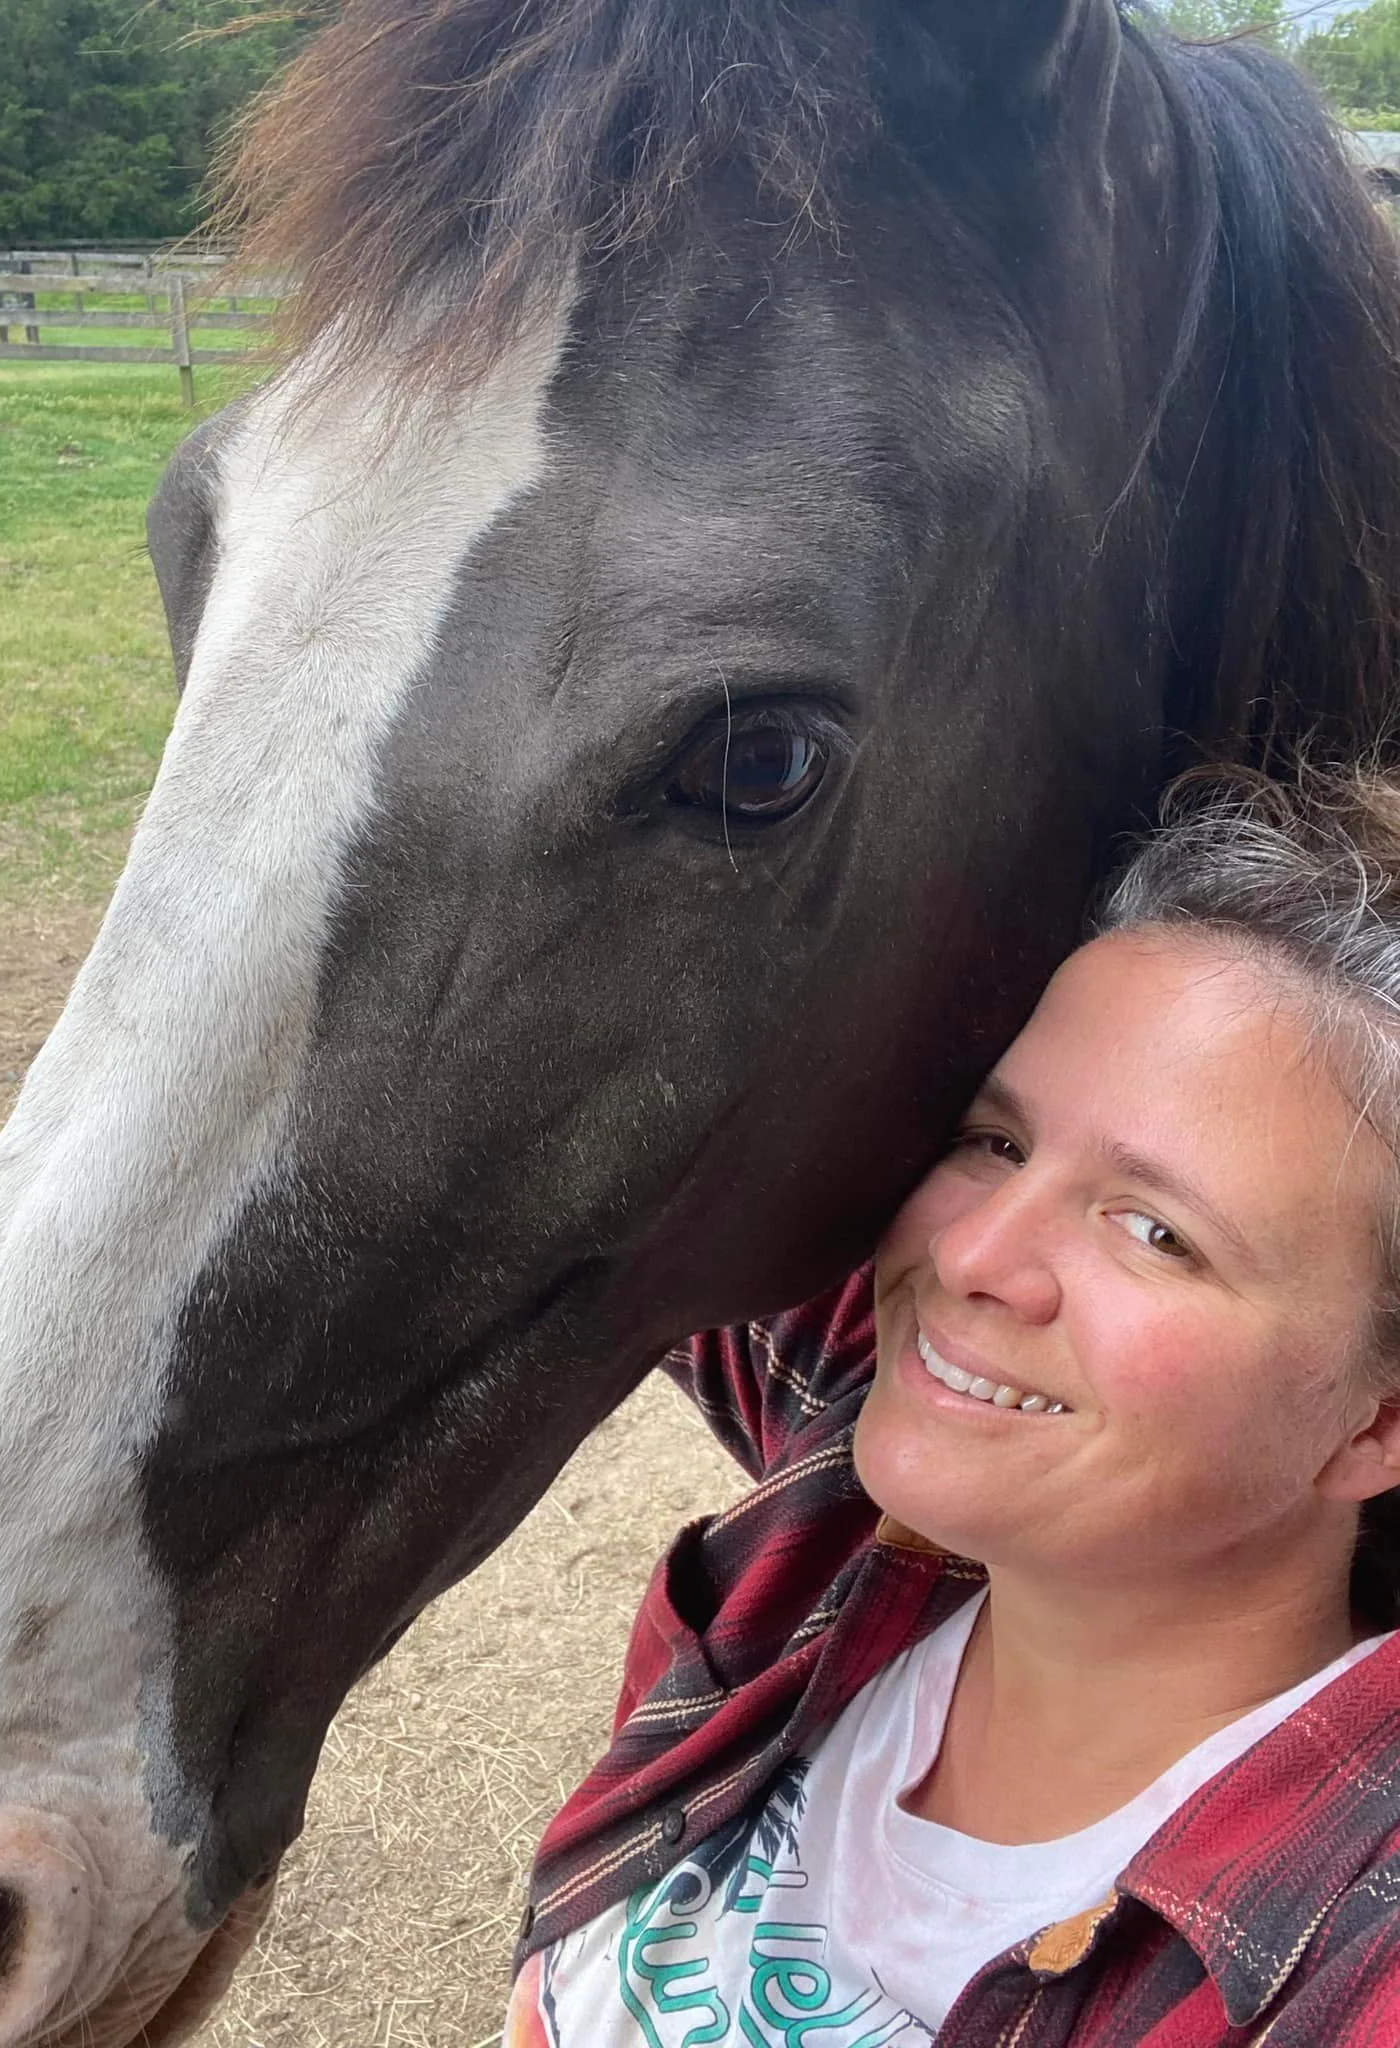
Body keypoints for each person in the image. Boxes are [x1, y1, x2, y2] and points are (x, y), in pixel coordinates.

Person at [503, 763, 1400, 2048]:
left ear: (1379, 1422)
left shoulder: (1348, 1956)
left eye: (1155, 1230)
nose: (974, 1255)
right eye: (997, 1140)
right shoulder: (855, 1487)